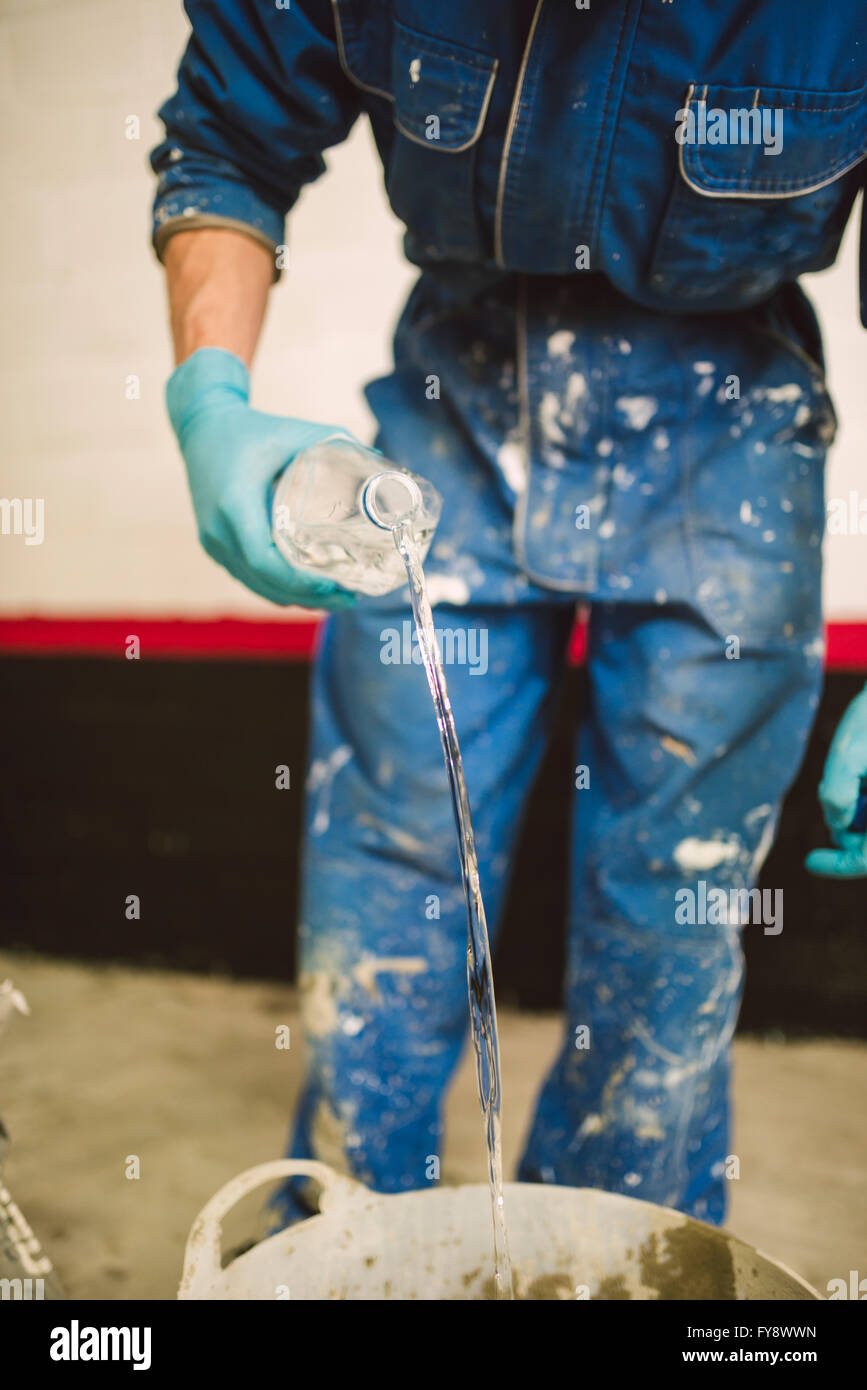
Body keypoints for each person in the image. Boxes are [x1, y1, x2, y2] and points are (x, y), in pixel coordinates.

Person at [151, 1, 867, 1228]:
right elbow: (226, 142)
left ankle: (623, 1264)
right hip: (454, 419)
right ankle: (349, 1254)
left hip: (734, 440)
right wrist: (210, 397)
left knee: (672, 927)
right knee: (387, 888)